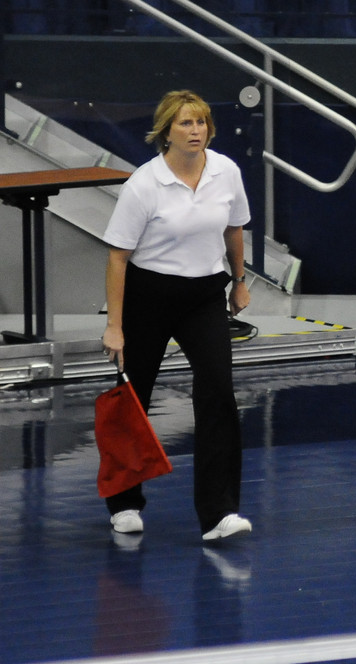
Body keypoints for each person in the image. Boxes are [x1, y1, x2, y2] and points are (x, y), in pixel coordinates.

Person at [100, 89, 253, 541]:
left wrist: (240, 281)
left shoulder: (226, 172)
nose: (196, 131)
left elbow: (234, 228)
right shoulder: (143, 185)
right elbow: (117, 258)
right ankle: (124, 502)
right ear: (166, 131)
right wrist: (114, 324)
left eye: (202, 122)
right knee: (134, 399)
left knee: (218, 394)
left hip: (204, 295)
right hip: (147, 295)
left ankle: (219, 512)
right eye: (186, 123)